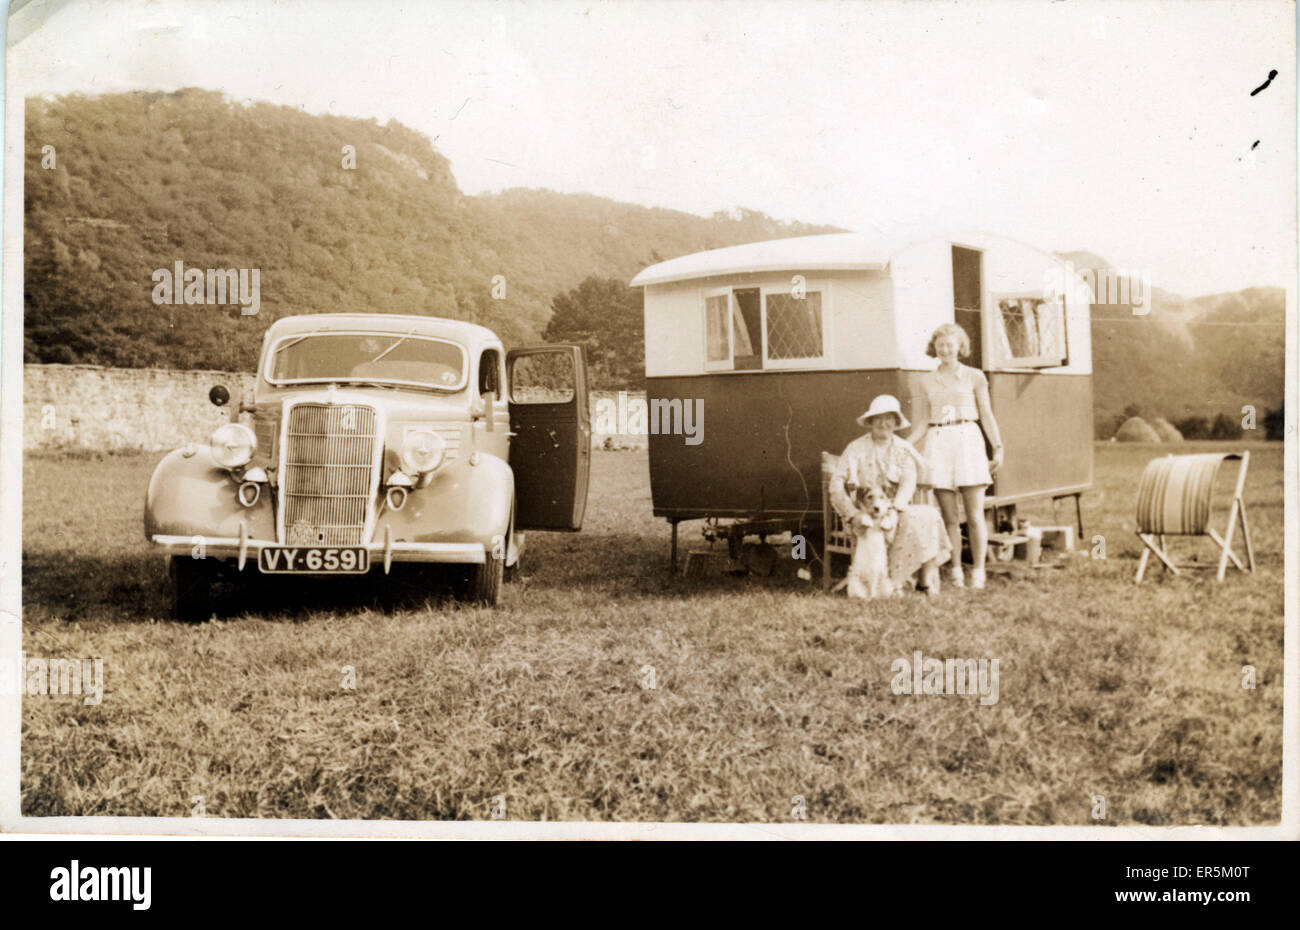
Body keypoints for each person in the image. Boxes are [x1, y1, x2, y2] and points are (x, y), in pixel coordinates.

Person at [906, 323, 1004, 589]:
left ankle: (979, 573)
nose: (945, 350)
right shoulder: (925, 380)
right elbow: (925, 420)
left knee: (974, 515)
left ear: (960, 347)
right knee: (949, 517)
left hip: (968, 440)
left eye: (950, 345)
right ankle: (957, 571)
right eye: (940, 346)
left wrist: (997, 446)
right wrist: (905, 444)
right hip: (938, 442)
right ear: (934, 349)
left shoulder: (974, 376)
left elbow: (986, 414)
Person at [829, 394, 951, 596]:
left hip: (893, 510)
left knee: (930, 514)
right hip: (863, 516)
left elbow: (908, 482)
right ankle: (893, 583)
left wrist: (895, 508)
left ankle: (924, 581)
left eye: (889, 418)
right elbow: (835, 485)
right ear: (870, 422)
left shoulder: (903, 449)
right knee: (908, 521)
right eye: (878, 418)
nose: (883, 423)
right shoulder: (855, 448)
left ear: (896, 422)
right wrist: (852, 514)